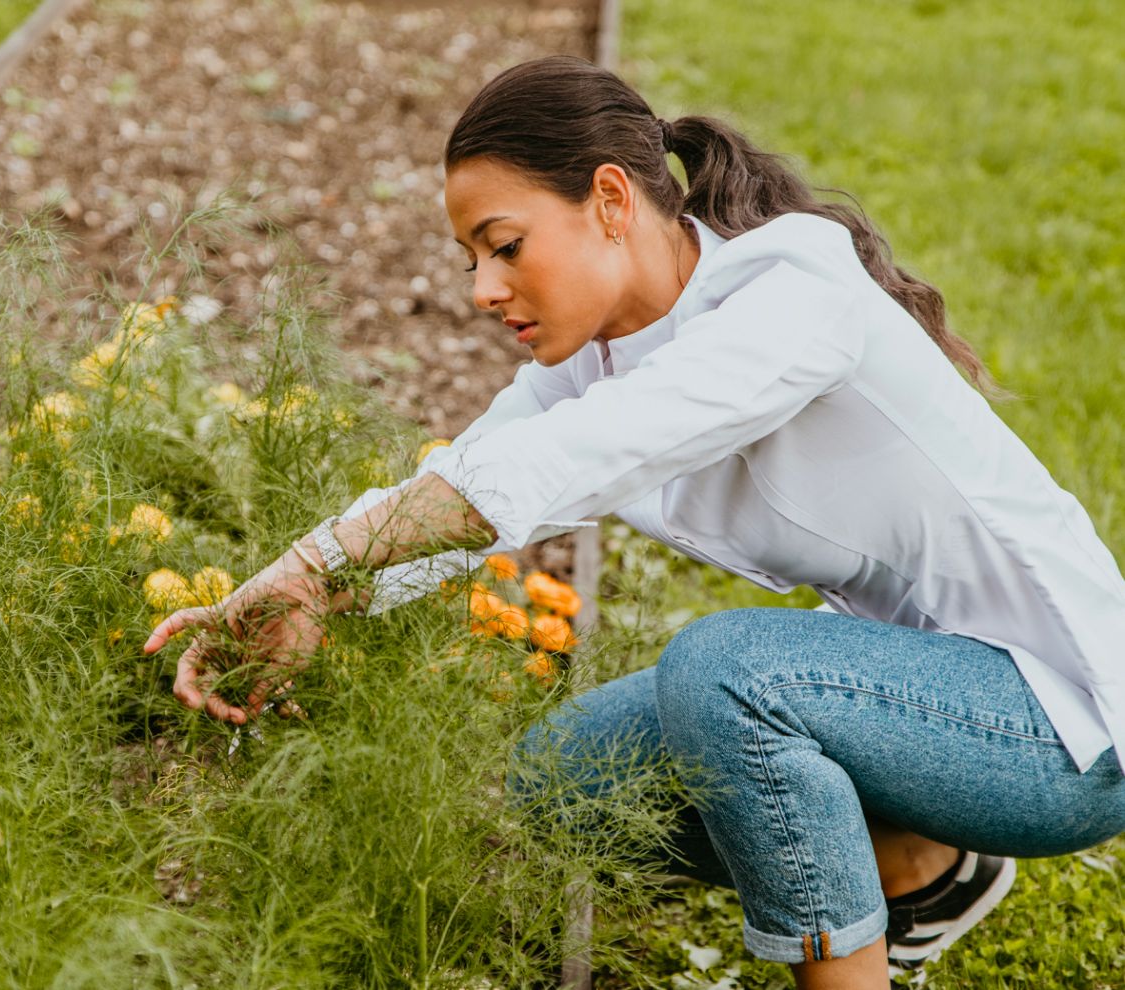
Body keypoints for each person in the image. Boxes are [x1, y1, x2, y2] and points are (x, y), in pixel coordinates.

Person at [143, 55, 1125, 989]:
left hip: (1059, 725)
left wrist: (317, 563)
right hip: (908, 692)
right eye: (472, 259)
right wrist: (308, 587)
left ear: (612, 200)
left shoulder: (793, 294)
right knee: (561, 777)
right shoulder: (593, 360)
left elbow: (579, 454)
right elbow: (471, 485)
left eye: (504, 245)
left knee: (727, 672)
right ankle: (922, 874)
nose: (481, 290)